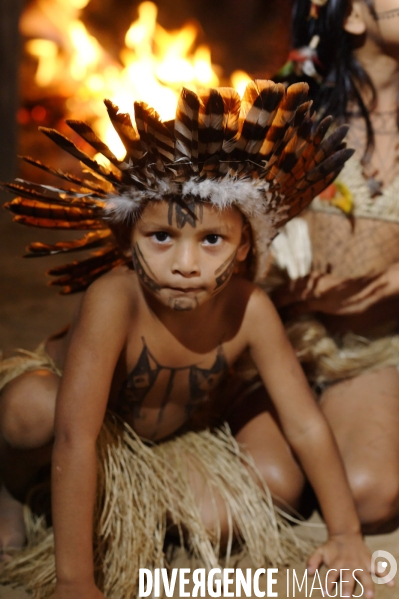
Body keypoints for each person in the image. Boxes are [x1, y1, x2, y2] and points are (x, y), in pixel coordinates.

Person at [0, 81, 374, 599]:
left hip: (168, 445)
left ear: (245, 245)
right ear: (127, 238)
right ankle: (16, 486)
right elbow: (75, 437)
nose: (184, 263)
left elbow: (306, 424)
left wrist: (346, 535)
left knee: (279, 483)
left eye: (212, 240)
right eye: (161, 237)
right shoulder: (113, 300)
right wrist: (75, 581)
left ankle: (121, 513)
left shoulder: (252, 309)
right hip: (84, 432)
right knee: (27, 408)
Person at [270, 0, 399, 534]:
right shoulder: (293, 108)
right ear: (352, 16)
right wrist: (271, 267)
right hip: (281, 339)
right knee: (268, 487)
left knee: (367, 494)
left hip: (373, 346)